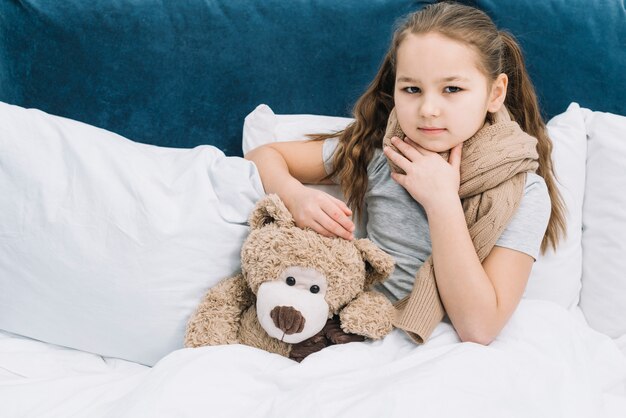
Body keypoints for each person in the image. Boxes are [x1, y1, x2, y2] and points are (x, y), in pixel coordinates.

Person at [245, 1, 566, 346]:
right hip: (368, 329)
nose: (428, 109)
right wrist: (296, 197)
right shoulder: (382, 151)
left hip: (447, 347)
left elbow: (479, 328)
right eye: (412, 89)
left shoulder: (524, 190)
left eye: (452, 89)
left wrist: (442, 200)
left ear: (495, 93)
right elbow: (265, 155)